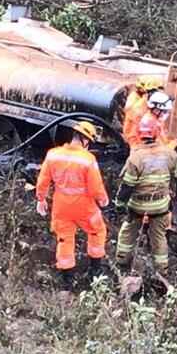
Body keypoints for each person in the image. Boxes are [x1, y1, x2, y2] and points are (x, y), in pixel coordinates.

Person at [36, 121, 109, 289]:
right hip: (84, 206)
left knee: (64, 238)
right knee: (97, 231)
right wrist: (103, 200)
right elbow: (95, 186)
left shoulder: (53, 154)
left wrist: (41, 199)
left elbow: (43, 180)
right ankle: (95, 271)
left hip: (61, 205)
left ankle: (67, 280)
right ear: (85, 140)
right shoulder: (88, 159)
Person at [114, 113, 177, 277]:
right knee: (159, 237)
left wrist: (119, 205)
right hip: (160, 206)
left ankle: (122, 263)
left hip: (137, 206)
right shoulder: (170, 154)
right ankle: (162, 270)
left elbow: (127, 186)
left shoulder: (135, 157)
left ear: (140, 135)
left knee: (128, 232)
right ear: (156, 133)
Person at [123, 76, 164, 147]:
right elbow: (136, 116)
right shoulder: (138, 100)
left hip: (141, 139)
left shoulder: (144, 100)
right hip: (135, 140)